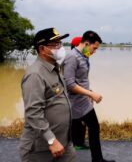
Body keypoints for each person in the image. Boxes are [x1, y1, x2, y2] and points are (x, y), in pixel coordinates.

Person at [19, 28, 76, 162]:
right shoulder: (35, 74)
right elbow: (33, 112)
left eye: (60, 43)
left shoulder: (55, 68)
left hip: (64, 143)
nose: (60, 47)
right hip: (42, 148)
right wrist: (51, 140)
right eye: (55, 44)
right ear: (42, 49)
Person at [63, 31, 115, 162]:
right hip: (75, 102)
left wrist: (88, 91)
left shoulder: (84, 55)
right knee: (67, 133)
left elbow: (81, 79)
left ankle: (97, 159)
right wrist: (91, 94)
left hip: (83, 100)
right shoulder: (72, 57)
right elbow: (69, 84)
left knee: (94, 127)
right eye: (94, 48)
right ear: (86, 43)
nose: (95, 51)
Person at [70, 36, 89, 150]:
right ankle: (77, 143)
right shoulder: (73, 59)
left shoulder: (83, 58)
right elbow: (71, 81)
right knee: (77, 120)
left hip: (81, 94)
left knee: (80, 120)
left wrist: (88, 92)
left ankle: (79, 142)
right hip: (75, 95)